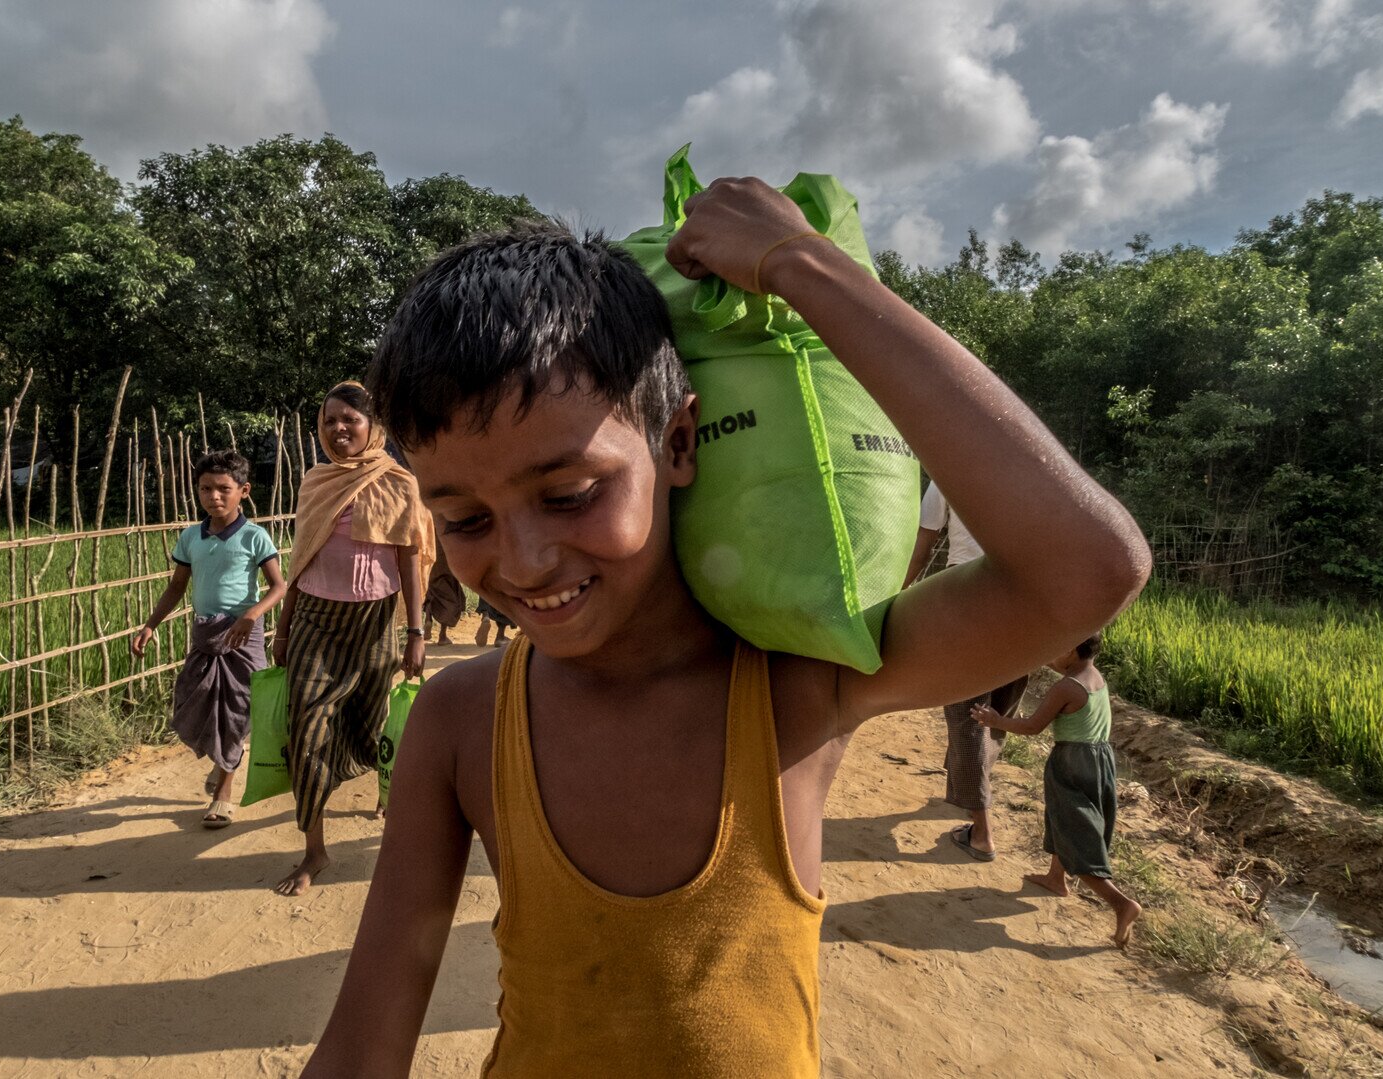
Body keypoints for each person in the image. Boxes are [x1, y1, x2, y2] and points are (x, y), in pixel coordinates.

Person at [304, 185, 1150, 1076]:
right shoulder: (460, 719)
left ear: (677, 442)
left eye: (569, 495)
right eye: (465, 519)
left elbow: (1091, 568)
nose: (522, 561)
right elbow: (363, 1046)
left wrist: (802, 265)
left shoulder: (799, 687)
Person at [270, 380, 435, 896]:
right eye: (329, 421)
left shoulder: (400, 482)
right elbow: (301, 560)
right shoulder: (316, 482)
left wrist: (416, 630)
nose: (338, 429)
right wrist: (283, 625)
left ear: (373, 427)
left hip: (378, 622)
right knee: (308, 729)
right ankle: (314, 852)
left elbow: (410, 554)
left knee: (371, 726)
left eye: (350, 420)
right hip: (316, 622)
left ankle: (385, 793)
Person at [131, 450, 285, 828]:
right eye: (205, 489)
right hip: (206, 635)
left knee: (236, 711)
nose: (214, 496)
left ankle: (223, 793)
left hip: (241, 638)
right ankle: (223, 762)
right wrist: (150, 625)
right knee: (199, 704)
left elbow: (279, 586)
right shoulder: (190, 538)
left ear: (243, 491)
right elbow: (177, 587)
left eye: (223, 489)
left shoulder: (254, 536)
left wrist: (251, 615)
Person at [972, 632, 1141, 948]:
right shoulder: (1094, 678)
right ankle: (1055, 878)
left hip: (1072, 762)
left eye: (1055, 648)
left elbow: (1033, 726)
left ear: (1070, 650)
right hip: (1100, 761)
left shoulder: (1067, 686)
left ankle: (1120, 903)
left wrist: (995, 719)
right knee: (1063, 819)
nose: (1050, 654)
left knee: (1075, 832)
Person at [904, 482, 1029, 861]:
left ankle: (982, 833)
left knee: (967, 713)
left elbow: (922, 548)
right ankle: (963, 785)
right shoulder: (1030, 471)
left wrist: (898, 594)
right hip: (1024, 600)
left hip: (970, 594)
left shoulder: (948, 471)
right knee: (999, 709)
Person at [423, 532, 467, 645]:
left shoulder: (427, 517)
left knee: (431, 589)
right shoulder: (445, 518)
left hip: (429, 555)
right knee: (450, 595)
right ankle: (442, 635)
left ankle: (428, 617)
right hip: (446, 557)